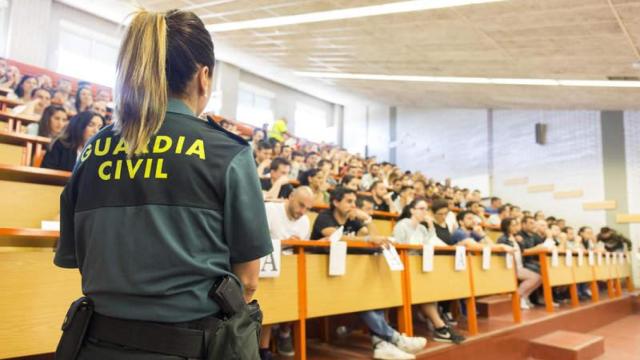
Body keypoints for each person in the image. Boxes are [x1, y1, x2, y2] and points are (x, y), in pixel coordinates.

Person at [53, 10, 272, 359]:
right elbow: (247, 282)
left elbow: (77, 257)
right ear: (204, 77)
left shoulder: (92, 150)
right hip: (190, 347)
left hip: (95, 344)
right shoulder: (227, 152)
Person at [312, 188, 426, 359]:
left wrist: (367, 218)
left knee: (372, 295)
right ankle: (394, 338)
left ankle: (381, 344)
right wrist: (366, 239)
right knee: (363, 297)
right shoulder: (325, 216)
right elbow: (335, 237)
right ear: (336, 202)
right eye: (348, 201)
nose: (353, 205)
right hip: (322, 274)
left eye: (354, 201)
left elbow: (374, 237)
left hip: (348, 272)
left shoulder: (354, 219)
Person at [393, 199, 465, 344]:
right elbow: (398, 248)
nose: (424, 212)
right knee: (425, 288)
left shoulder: (422, 228)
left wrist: (431, 226)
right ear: (412, 210)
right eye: (421, 209)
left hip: (419, 268)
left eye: (426, 209)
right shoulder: (402, 225)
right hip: (404, 269)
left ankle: (439, 325)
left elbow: (431, 244)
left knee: (431, 284)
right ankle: (440, 326)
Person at [261, 187, 314, 359]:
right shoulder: (270, 210)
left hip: (291, 269)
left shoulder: (305, 221)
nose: (303, 211)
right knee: (270, 297)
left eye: (307, 208)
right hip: (267, 267)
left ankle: (283, 331)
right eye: (300, 205)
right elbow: (257, 239)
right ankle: (263, 347)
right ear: (290, 197)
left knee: (302, 294)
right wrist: (285, 243)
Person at [497, 218, 542, 310]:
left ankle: (523, 297)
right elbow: (500, 254)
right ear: (507, 226)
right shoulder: (503, 238)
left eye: (516, 225)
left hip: (519, 265)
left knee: (540, 278)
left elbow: (521, 251)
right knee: (534, 277)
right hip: (510, 267)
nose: (515, 227)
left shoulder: (516, 237)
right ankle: (517, 297)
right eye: (513, 225)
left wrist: (520, 242)